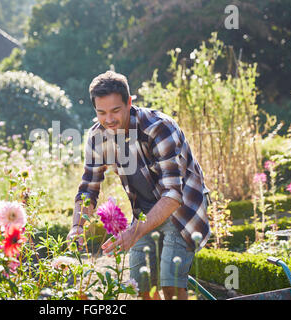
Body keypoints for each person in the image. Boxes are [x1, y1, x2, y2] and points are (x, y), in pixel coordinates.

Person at [67, 70, 211, 300]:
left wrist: (133, 232)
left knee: (170, 284)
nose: (109, 119)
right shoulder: (98, 138)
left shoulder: (158, 128)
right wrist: (77, 226)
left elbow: (173, 195)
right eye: (101, 113)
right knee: (141, 285)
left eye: (115, 110)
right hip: (145, 213)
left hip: (182, 208)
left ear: (129, 102)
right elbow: (88, 188)